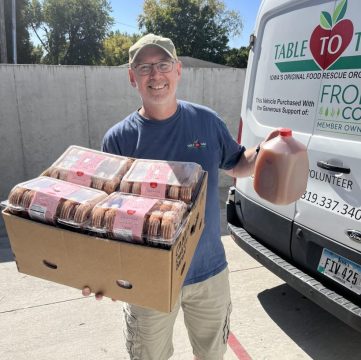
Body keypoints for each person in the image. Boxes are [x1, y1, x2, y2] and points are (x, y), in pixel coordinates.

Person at [82, 33, 278, 360]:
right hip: (146, 281)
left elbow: (238, 163)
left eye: (163, 65)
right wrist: (99, 272)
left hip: (209, 273)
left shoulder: (206, 122)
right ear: (132, 77)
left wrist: (266, 148)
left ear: (178, 70)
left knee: (212, 354)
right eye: (144, 68)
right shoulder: (118, 140)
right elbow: (104, 215)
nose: (155, 75)